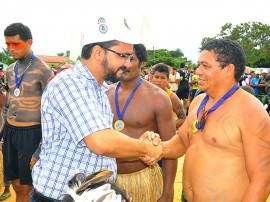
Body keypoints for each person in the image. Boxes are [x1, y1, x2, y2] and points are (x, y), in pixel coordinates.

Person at [31, 16, 162, 201]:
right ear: (98, 52)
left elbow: (104, 134)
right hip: (58, 197)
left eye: (130, 57)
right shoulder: (70, 83)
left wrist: (139, 143)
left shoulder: (99, 89)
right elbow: (100, 141)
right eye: (122, 55)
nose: (127, 64)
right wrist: (145, 148)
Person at [143, 39, 270, 201]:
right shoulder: (198, 101)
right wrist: (156, 148)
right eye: (198, 65)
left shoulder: (251, 111)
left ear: (228, 70)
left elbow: (262, 179)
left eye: (205, 66)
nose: (197, 71)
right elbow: (182, 141)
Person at [106, 44, 177, 202]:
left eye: (131, 58)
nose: (124, 63)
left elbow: (170, 149)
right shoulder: (105, 94)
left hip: (142, 181)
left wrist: (167, 192)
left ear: (143, 63)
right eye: (121, 57)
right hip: (108, 182)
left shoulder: (158, 98)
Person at [0, 23, 54, 202]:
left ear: (29, 42)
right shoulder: (9, 70)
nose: (10, 49)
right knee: (15, 185)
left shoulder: (43, 70)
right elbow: (8, 104)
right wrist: (2, 130)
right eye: (8, 44)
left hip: (32, 134)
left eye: (16, 44)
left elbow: (52, 112)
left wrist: (40, 149)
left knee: (27, 187)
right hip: (10, 133)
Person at [151, 63, 186, 130]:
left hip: (165, 135)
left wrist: (166, 127)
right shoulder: (147, 93)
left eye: (163, 78)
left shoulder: (171, 97)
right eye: (156, 77)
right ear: (152, 77)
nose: (159, 80)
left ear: (168, 80)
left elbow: (183, 119)